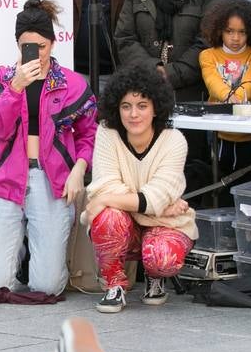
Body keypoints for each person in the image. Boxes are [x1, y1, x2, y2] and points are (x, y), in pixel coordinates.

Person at [0, 0, 97, 297]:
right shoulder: (1, 80)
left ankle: (37, 259)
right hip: (7, 179)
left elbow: (89, 135)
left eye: (41, 46)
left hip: (53, 180)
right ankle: (13, 257)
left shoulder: (73, 84)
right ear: (17, 45)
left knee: (47, 288)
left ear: (53, 44)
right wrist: (15, 88)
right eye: (27, 46)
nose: (35, 54)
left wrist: (79, 171)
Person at [72, 63, 194, 312]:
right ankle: (114, 285)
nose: (133, 114)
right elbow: (110, 187)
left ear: (156, 108)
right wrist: (155, 206)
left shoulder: (174, 141)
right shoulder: (107, 133)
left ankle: (154, 277)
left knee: (161, 258)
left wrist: (106, 199)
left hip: (165, 226)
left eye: (142, 106)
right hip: (141, 221)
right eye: (126, 106)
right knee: (108, 219)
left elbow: (152, 196)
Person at [199, 0, 251, 186]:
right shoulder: (208, 55)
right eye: (229, 31)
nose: (235, 38)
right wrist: (233, 97)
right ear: (219, 29)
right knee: (220, 184)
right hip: (219, 132)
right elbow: (212, 82)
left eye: (242, 32)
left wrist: (235, 98)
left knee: (249, 183)